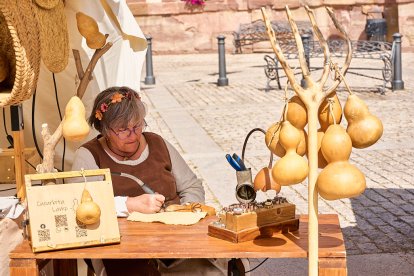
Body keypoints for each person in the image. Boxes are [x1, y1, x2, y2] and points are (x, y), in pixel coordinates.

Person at [71, 86, 230, 276]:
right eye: (123, 129)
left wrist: (187, 213)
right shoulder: (89, 156)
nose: (134, 134)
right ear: (105, 130)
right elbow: (79, 207)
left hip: (178, 247)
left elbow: (191, 186)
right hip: (123, 252)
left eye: (138, 125)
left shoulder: (158, 143)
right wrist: (128, 204)